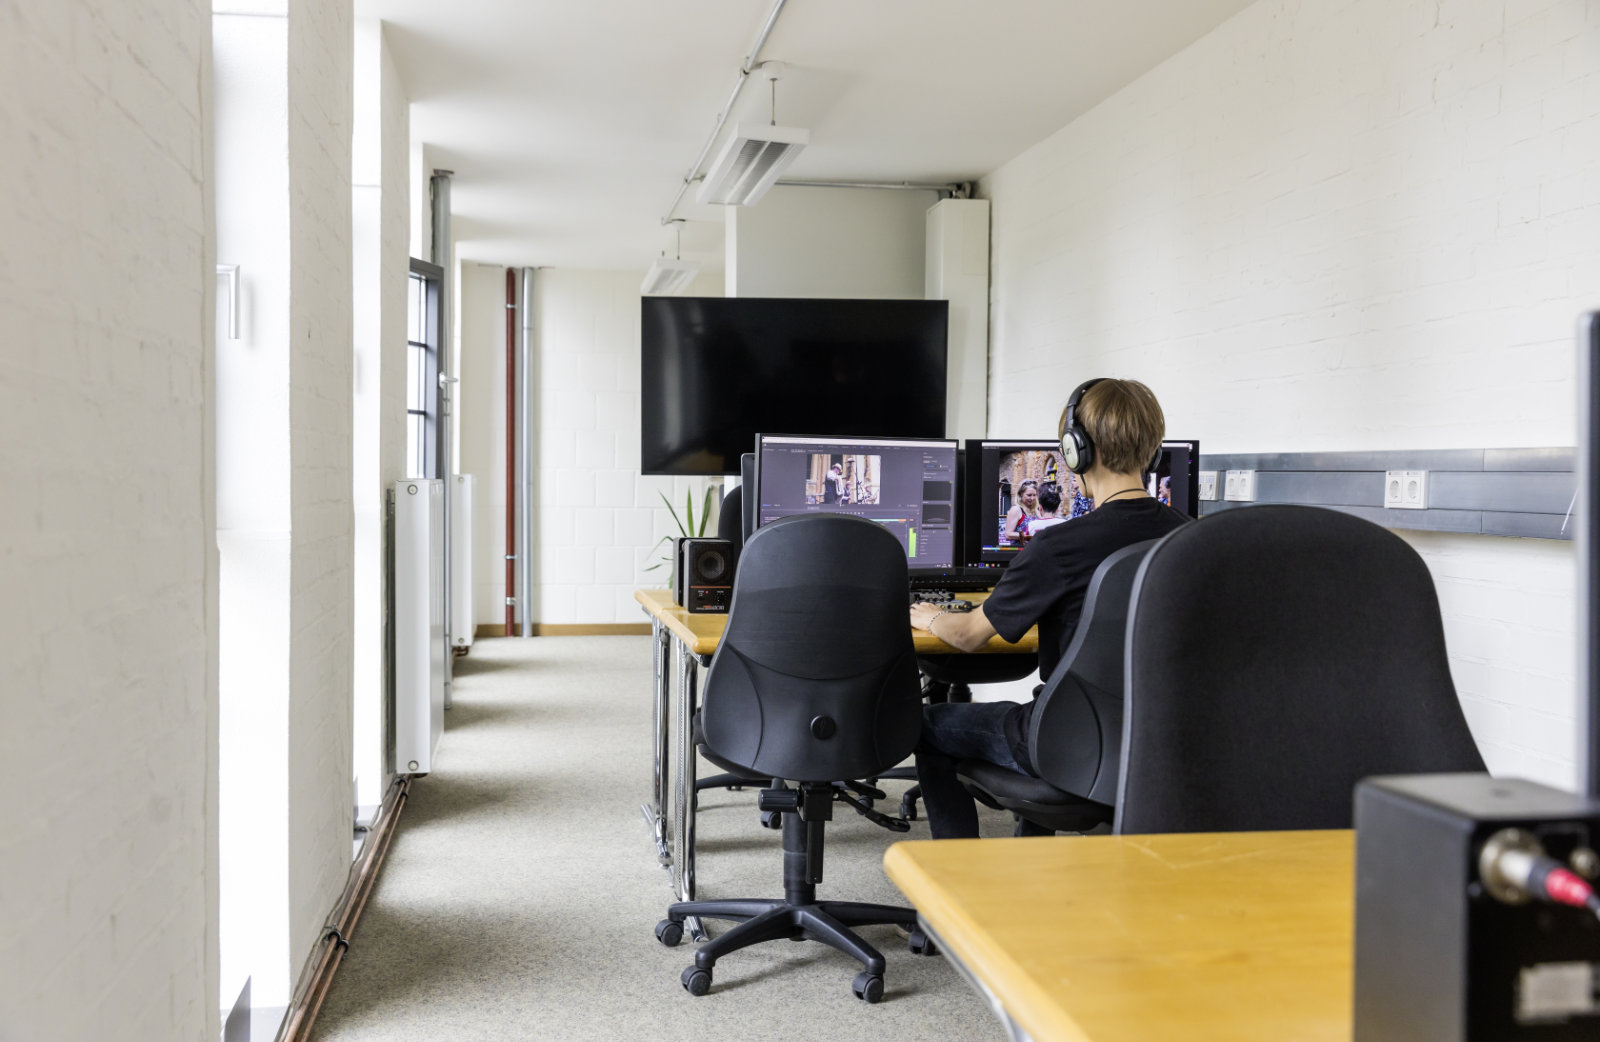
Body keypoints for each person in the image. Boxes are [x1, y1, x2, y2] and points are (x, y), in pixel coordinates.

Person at [908, 378, 1191, 839]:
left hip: (1064, 742)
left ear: (1075, 451)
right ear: (1154, 453)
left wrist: (931, 615)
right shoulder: (1194, 539)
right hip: (1167, 745)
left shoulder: (1057, 546)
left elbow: (967, 637)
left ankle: (953, 875)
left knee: (925, 725)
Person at [1000, 479, 1040, 544]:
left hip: (1033, 550)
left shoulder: (1036, 511)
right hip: (1020, 550)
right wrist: (1028, 535)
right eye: (1029, 495)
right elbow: (1008, 534)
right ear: (1021, 494)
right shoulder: (1016, 510)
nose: (1032, 498)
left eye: (1034, 495)